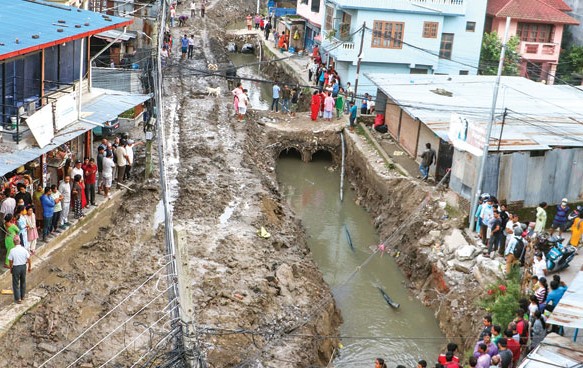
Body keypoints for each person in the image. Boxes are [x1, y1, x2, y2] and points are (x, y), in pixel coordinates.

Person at [8, 234, 31, 304]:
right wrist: (29, 267)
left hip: (16, 267)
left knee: (15, 283)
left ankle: (18, 299)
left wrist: (11, 268)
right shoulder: (24, 249)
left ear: (13, 242)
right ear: (20, 241)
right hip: (23, 267)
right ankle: (23, 296)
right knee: (23, 281)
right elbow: (29, 259)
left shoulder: (12, 250)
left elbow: (10, 261)